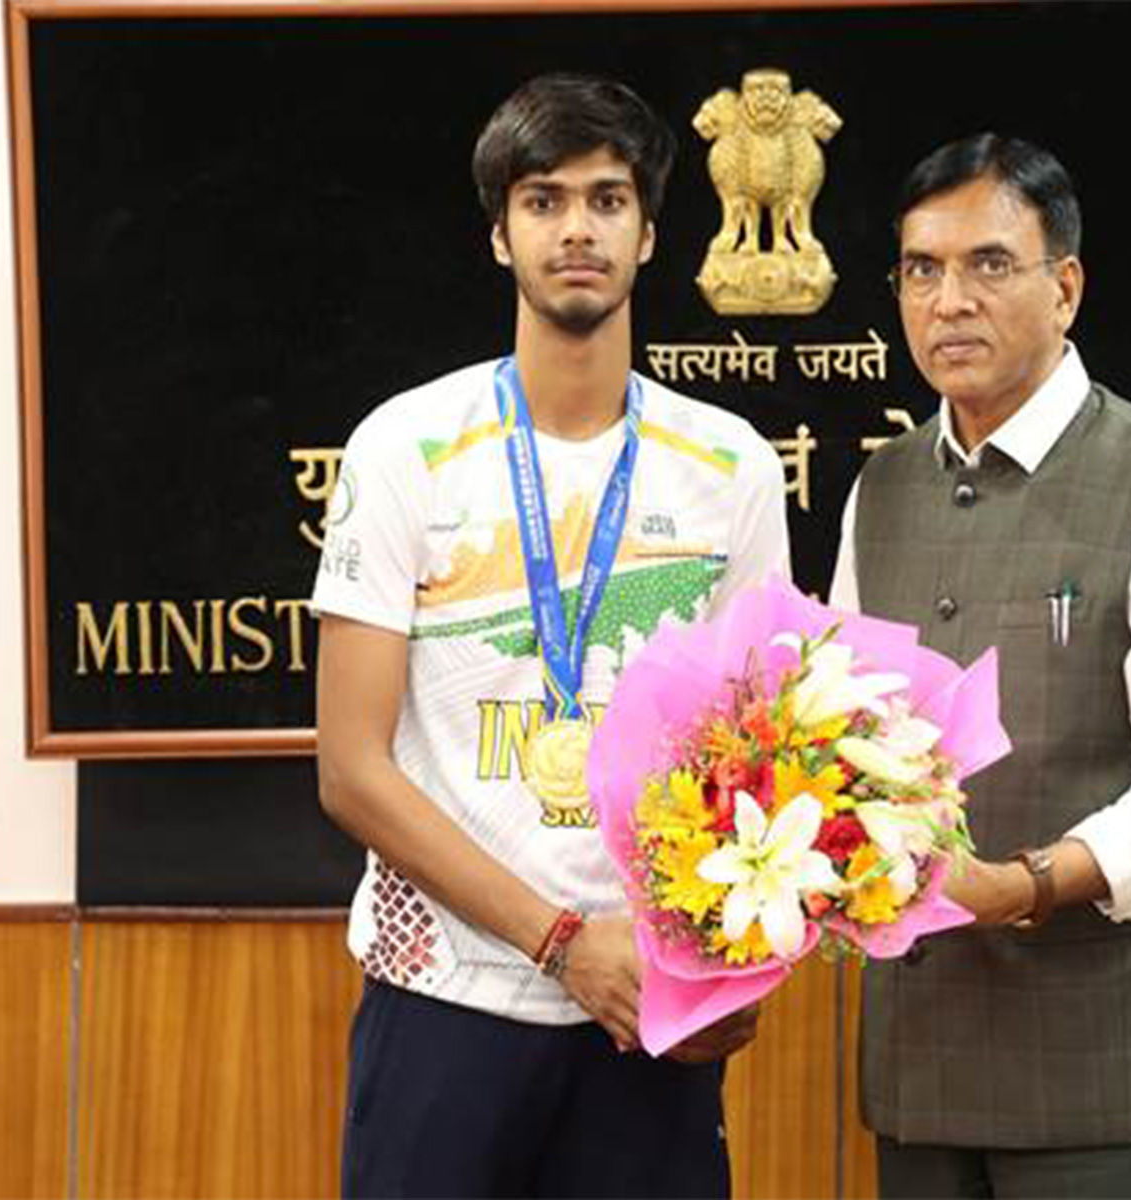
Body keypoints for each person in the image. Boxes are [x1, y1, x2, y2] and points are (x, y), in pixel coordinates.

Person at [313, 73, 790, 1198]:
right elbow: (350, 769)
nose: (576, 227)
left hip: (646, 1006)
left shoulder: (733, 466)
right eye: (543, 200)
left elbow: (759, 754)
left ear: (650, 232)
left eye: (606, 199)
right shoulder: (403, 449)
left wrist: (731, 965)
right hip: (448, 996)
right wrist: (560, 943)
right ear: (499, 235)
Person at [830, 133, 1131, 1198]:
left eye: (988, 264)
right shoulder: (877, 488)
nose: (948, 302)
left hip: (1106, 1072)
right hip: (922, 1060)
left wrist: (1028, 884)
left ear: (1064, 287)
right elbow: (840, 731)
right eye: (920, 271)